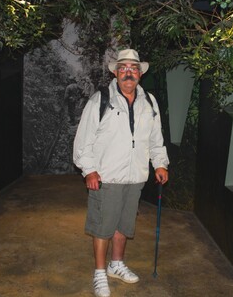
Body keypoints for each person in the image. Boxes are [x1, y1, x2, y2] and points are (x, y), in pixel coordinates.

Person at [73, 49, 169, 297]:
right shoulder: (101, 99)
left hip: (135, 176)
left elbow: (156, 139)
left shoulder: (149, 101)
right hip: (107, 177)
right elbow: (83, 141)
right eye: (124, 68)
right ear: (115, 72)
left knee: (124, 226)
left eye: (134, 69)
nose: (129, 73)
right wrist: (89, 171)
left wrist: (160, 163)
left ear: (140, 74)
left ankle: (116, 264)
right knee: (103, 227)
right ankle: (100, 272)